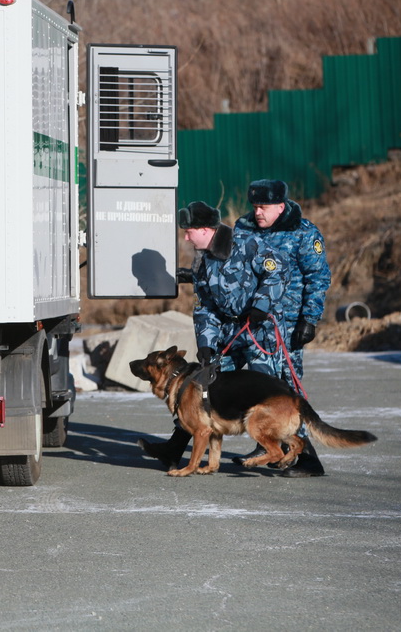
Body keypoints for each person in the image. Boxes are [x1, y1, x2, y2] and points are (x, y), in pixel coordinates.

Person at [138, 200, 289, 469]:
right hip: (229, 335)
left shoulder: (247, 244)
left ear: (205, 229)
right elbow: (205, 307)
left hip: (259, 330)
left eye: (189, 231)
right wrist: (206, 344)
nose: (185, 236)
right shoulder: (202, 261)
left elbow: (277, 273)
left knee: (267, 391)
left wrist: (261, 305)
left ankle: (303, 458)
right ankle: (175, 448)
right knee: (202, 389)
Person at [232, 179, 332, 477]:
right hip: (255, 325)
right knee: (261, 386)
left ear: (280, 206)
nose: (257, 212)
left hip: (288, 325)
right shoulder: (244, 228)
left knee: (288, 390)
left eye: (263, 207)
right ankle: (270, 445)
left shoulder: (303, 233)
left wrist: (310, 318)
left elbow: (319, 277)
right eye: (254, 206)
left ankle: (307, 458)